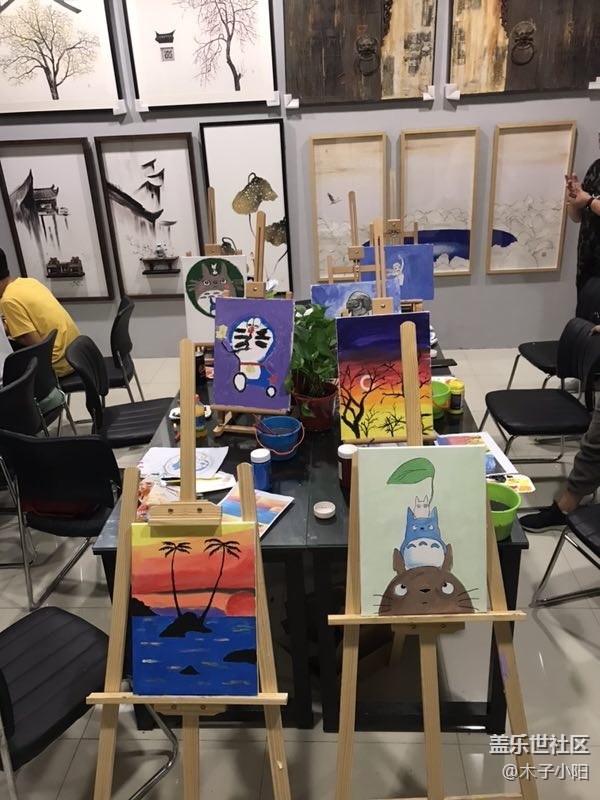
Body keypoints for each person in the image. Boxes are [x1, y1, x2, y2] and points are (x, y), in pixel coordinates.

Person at [0, 248, 80, 377]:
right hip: (76, 354)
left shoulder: (8, 301)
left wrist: (13, 332)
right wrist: (11, 327)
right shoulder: (29, 282)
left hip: (57, 364)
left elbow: (38, 346)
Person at [565, 161, 600, 309]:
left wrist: (589, 201)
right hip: (587, 263)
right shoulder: (596, 167)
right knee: (585, 314)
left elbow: (589, 202)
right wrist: (573, 201)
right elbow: (577, 217)